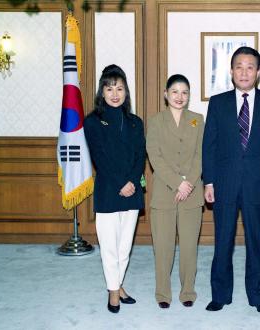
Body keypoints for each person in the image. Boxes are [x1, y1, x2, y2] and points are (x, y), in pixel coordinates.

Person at [202, 46, 260, 314]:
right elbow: (209, 146)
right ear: (231, 71)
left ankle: (258, 295)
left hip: (258, 184)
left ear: (258, 72)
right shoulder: (218, 102)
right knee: (223, 241)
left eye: (250, 67)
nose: (244, 71)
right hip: (224, 183)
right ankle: (220, 294)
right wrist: (209, 182)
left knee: (256, 242)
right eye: (239, 66)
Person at [83, 64, 146, 314]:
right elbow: (100, 157)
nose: (115, 93)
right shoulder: (93, 121)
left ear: (126, 91)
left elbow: (141, 155)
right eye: (109, 88)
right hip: (109, 191)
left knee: (124, 246)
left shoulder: (135, 122)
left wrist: (131, 181)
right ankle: (113, 291)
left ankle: (118, 284)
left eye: (119, 88)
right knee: (109, 245)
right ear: (102, 92)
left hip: (132, 190)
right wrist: (121, 183)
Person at [146, 74, 204, 309]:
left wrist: (188, 182)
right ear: (165, 94)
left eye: (185, 92)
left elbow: (201, 154)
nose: (180, 97)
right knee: (163, 247)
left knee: (190, 246)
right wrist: (176, 183)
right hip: (164, 192)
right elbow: (154, 156)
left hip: (192, 193)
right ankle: (163, 293)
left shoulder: (197, 120)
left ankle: (188, 290)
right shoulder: (156, 121)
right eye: (175, 92)